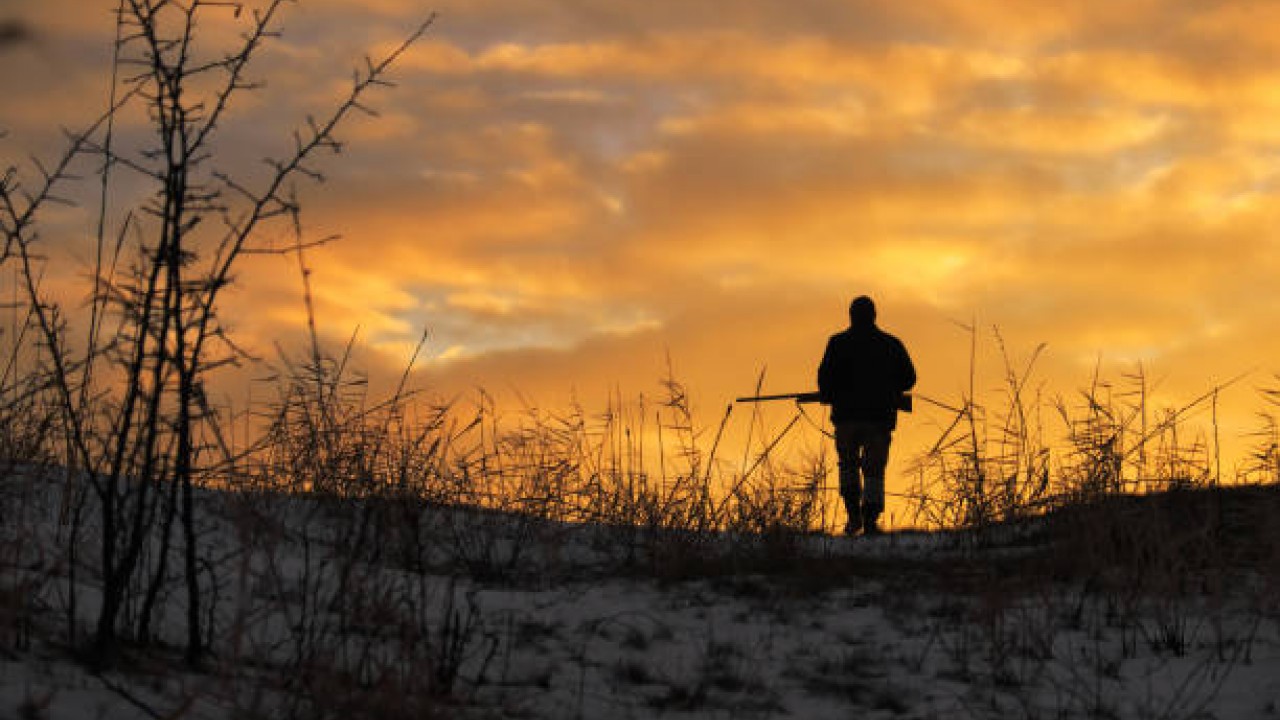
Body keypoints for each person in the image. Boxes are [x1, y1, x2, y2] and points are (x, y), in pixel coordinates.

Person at [817, 296, 916, 536]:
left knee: (848, 466)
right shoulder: (891, 344)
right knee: (874, 470)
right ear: (874, 315)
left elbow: (824, 381)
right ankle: (870, 521)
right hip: (879, 419)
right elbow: (909, 379)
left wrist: (833, 393)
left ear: (851, 316)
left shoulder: (837, 343)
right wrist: (888, 388)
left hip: (847, 419)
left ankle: (854, 517)